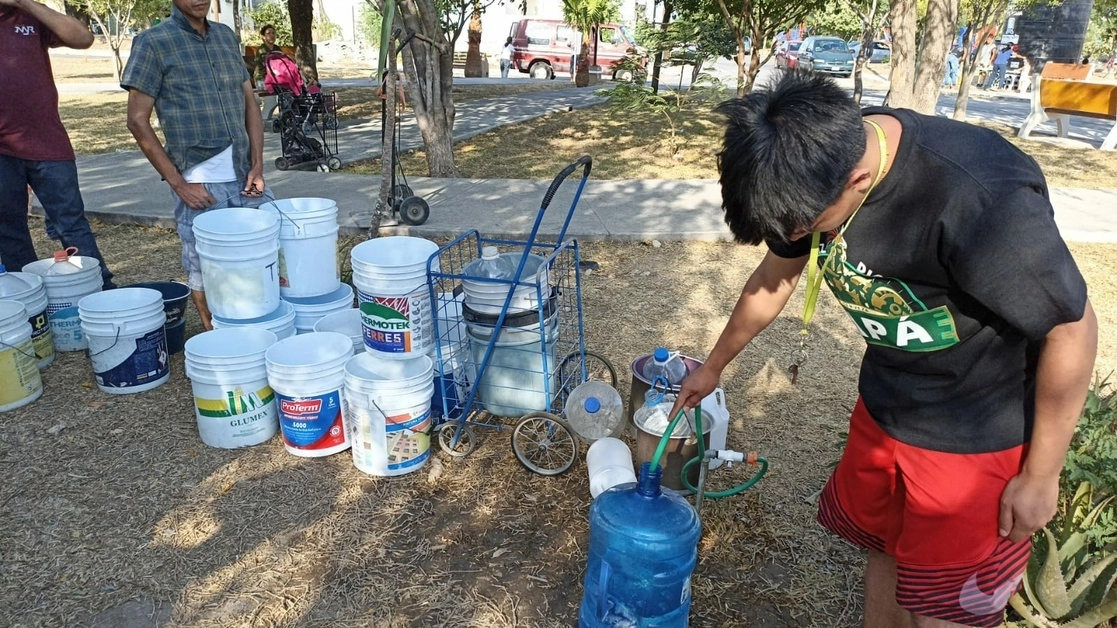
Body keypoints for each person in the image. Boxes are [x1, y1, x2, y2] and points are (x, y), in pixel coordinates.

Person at [670, 71, 1097, 628]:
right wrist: (715, 365)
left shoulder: (979, 199)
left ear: (859, 178)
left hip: (973, 440)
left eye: (810, 228)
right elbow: (774, 276)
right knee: (887, 551)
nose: (798, 239)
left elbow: (1073, 328)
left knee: (944, 609)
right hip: (887, 410)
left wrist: (1041, 476)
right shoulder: (804, 168)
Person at [122, 0, 270, 331]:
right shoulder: (153, 42)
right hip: (201, 178)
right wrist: (179, 183)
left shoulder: (226, 36)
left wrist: (258, 165)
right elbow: (136, 120)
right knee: (204, 266)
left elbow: (250, 103)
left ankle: (259, 328)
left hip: (245, 173)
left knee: (264, 254)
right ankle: (217, 338)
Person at [0, 0, 115, 290]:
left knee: (72, 225)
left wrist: (24, 2)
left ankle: (99, 292)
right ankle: (31, 301)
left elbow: (83, 38)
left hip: (47, 142)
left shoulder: (28, 15)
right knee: (9, 231)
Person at [253, 24, 281, 89]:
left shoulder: (277, 48)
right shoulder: (262, 49)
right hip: (262, 78)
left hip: (275, 78)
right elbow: (269, 63)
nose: (271, 35)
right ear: (263, 37)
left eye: (273, 33)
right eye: (268, 33)